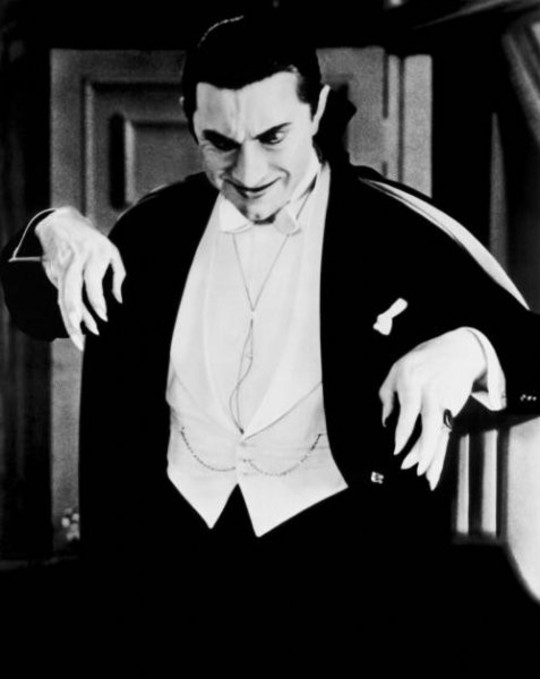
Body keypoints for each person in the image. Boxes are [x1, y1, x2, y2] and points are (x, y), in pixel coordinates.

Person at [2, 10, 540, 670]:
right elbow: (33, 309)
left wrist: (472, 348)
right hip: (168, 580)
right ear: (191, 121)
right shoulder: (151, 232)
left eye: (273, 136)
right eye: (220, 142)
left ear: (317, 113)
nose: (248, 170)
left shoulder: (403, 232)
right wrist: (51, 226)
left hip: (350, 587)